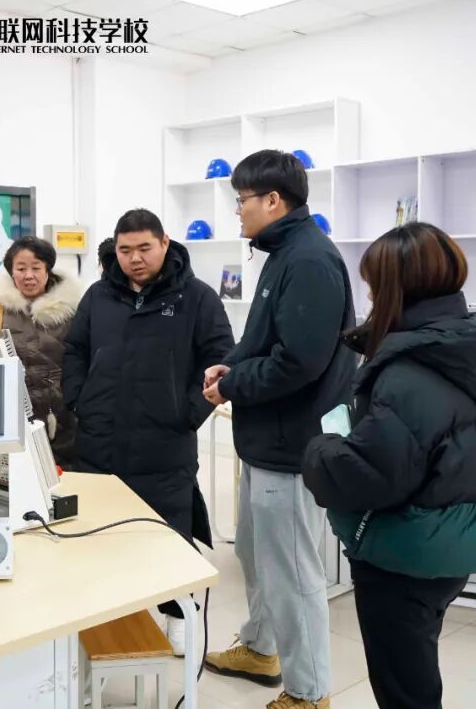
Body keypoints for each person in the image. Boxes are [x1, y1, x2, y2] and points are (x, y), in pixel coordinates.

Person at [302, 223, 476, 709]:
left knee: (404, 687)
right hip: (458, 539)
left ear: (394, 288)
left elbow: (370, 476)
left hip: (406, 555)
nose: (369, 296)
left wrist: (319, 449)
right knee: (416, 665)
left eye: (374, 285)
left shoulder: (407, 371)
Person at [201, 150, 355, 709]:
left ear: (273, 200)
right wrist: (231, 366)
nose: (237, 211)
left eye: (241, 200)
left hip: (292, 444)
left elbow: (300, 361)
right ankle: (262, 647)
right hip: (267, 439)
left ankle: (309, 693)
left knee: (290, 570)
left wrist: (235, 386)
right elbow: (263, 338)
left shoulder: (309, 260)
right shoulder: (283, 252)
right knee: (255, 554)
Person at [63, 208, 234, 654]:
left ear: (164, 243)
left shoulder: (197, 297)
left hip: (165, 443)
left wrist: (189, 412)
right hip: (100, 440)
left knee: (169, 536)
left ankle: (177, 615)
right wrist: (78, 398)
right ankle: (107, 618)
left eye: (144, 248)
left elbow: (220, 357)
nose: (135, 258)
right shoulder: (99, 295)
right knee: (101, 535)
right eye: (125, 250)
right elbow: (75, 349)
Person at [0, 236, 82, 471]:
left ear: (48, 269)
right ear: (11, 272)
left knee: (65, 477)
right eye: (21, 269)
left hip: (63, 415)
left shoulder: (72, 309)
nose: (28, 276)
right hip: (14, 415)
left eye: (36, 268)